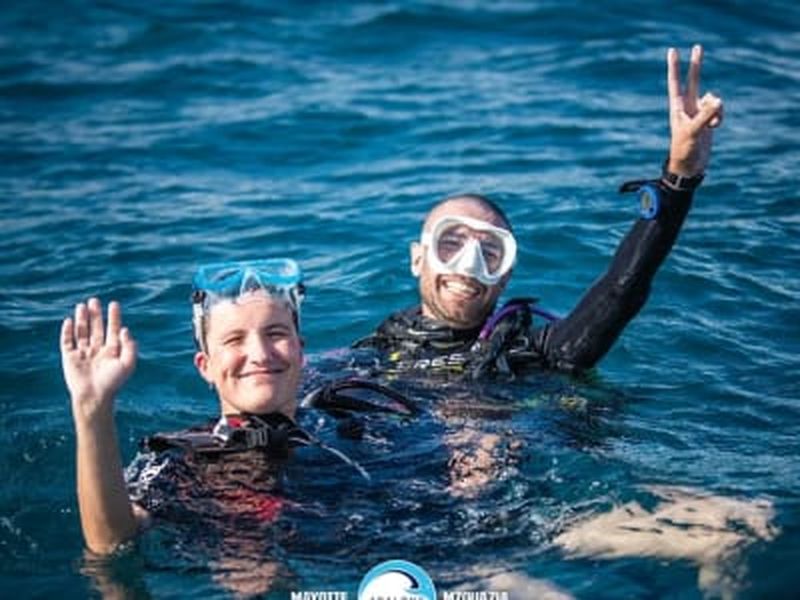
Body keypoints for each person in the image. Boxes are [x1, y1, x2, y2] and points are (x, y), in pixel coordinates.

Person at [355, 45, 724, 377]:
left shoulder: (539, 353)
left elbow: (622, 288)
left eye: (490, 252)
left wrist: (678, 179)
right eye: (451, 242)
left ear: (505, 277)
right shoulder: (376, 354)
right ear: (418, 259)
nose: (469, 265)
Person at [61, 259, 308, 556]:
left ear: (300, 349)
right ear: (205, 366)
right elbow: (111, 541)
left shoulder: (347, 415)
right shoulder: (182, 460)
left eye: (276, 334)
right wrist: (93, 410)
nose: (260, 354)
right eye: (234, 340)